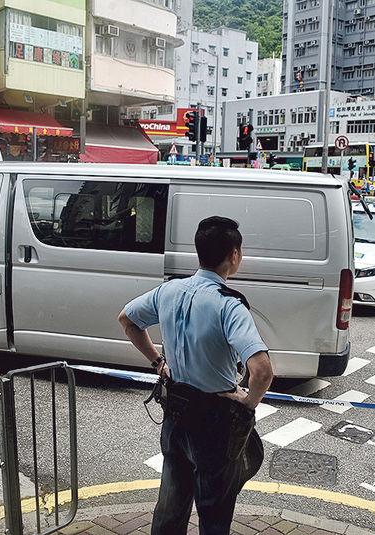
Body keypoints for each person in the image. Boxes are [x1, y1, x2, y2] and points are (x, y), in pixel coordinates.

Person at [118, 216, 274, 535]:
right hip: (215, 422)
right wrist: (248, 403)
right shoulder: (229, 306)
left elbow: (127, 320)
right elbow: (261, 370)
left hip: (175, 412)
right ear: (233, 255)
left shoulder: (170, 291)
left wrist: (158, 362)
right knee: (214, 510)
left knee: (172, 502)